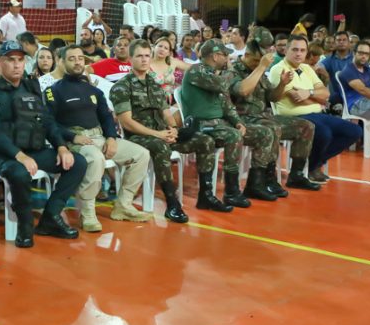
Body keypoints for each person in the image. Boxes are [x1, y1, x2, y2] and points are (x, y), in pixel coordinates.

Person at [0, 41, 86, 248]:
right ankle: (25, 226)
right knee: (19, 173)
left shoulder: (31, 87)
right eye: (10, 60)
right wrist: (20, 156)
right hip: (5, 156)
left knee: (78, 162)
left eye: (20, 60)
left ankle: (50, 217)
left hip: (34, 150)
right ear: (0, 63)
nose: (17, 65)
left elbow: (47, 121)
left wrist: (62, 146)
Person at [45, 45, 153, 231]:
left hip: (100, 137)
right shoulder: (53, 91)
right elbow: (48, 124)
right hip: (76, 141)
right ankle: (87, 212)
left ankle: (123, 205)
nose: (78, 62)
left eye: (80, 58)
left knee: (142, 154)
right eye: (72, 58)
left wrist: (111, 138)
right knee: (95, 159)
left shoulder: (93, 89)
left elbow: (105, 116)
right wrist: (73, 136)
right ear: (61, 62)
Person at [110, 39, 219, 221]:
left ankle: (206, 195)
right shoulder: (121, 87)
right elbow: (127, 122)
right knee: (160, 146)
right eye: (139, 56)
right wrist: (158, 134)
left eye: (147, 55)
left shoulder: (154, 85)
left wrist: (173, 129)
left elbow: (167, 113)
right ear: (130, 59)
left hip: (162, 133)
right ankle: (172, 203)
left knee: (205, 141)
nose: (144, 60)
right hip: (137, 137)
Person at [224, 28, 321, 193]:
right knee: (272, 129)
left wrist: (282, 84)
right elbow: (243, 91)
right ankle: (266, 179)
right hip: (243, 119)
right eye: (257, 60)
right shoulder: (233, 71)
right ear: (247, 56)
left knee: (306, 126)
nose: (260, 63)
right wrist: (260, 68)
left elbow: (273, 97)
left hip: (263, 117)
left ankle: (296, 175)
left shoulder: (260, 72)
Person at [182, 39, 274, 205]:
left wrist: (238, 122)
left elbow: (227, 105)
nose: (228, 59)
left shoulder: (215, 74)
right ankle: (231, 191)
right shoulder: (196, 71)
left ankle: (255, 184)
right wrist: (231, 70)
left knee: (264, 133)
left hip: (219, 124)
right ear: (216, 56)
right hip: (201, 124)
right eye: (225, 56)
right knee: (233, 136)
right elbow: (223, 85)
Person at [268, 35, 361, 183]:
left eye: (302, 50)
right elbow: (296, 99)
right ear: (286, 50)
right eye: (295, 49)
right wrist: (315, 97)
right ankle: (310, 168)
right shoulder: (278, 69)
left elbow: (326, 94)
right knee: (324, 133)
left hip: (317, 114)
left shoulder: (307, 68)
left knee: (354, 131)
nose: (299, 53)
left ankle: (313, 164)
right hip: (293, 117)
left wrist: (309, 93)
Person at [149, 37, 192, 102]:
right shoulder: (146, 62)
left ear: (169, 53)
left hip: (172, 100)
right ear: (154, 47)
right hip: (153, 101)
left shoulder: (172, 62)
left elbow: (192, 68)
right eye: (160, 46)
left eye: (166, 48)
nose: (162, 49)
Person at [317, 31, 353, 106]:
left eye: (344, 40)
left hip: (356, 95)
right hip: (337, 98)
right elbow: (318, 67)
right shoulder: (329, 60)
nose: (341, 42)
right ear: (334, 43)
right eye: (339, 40)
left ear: (349, 42)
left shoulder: (356, 58)